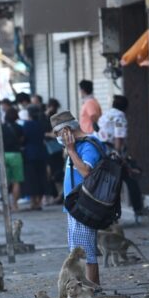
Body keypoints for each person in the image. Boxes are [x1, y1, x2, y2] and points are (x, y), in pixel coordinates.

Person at [51, 111, 103, 286]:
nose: (58, 138)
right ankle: (84, 289)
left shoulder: (88, 146)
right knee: (77, 251)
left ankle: (93, 290)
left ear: (66, 130)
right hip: (75, 207)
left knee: (86, 252)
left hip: (84, 206)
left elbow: (86, 172)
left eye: (58, 134)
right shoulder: (76, 146)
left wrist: (71, 150)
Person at [97, 94, 144, 215]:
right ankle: (138, 209)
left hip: (100, 152)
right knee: (131, 178)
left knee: (110, 183)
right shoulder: (120, 116)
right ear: (126, 108)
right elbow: (118, 138)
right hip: (112, 154)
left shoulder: (106, 115)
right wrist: (118, 156)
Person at [0, 106, 24, 212]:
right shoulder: (19, 127)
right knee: (16, 181)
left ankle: (7, 205)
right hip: (15, 155)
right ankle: (15, 205)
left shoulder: (1, 127)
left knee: (5, 181)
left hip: (3, 155)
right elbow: (22, 140)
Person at [21, 105, 49, 210]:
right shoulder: (41, 124)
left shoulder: (26, 125)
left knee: (31, 179)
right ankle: (39, 201)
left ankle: (33, 202)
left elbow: (24, 139)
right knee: (42, 178)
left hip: (30, 154)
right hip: (41, 152)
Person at [44, 98, 64, 204]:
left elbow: (52, 133)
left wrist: (47, 134)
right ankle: (58, 194)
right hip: (57, 148)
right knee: (56, 172)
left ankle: (58, 195)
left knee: (54, 173)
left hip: (52, 149)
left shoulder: (49, 118)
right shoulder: (58, 117)